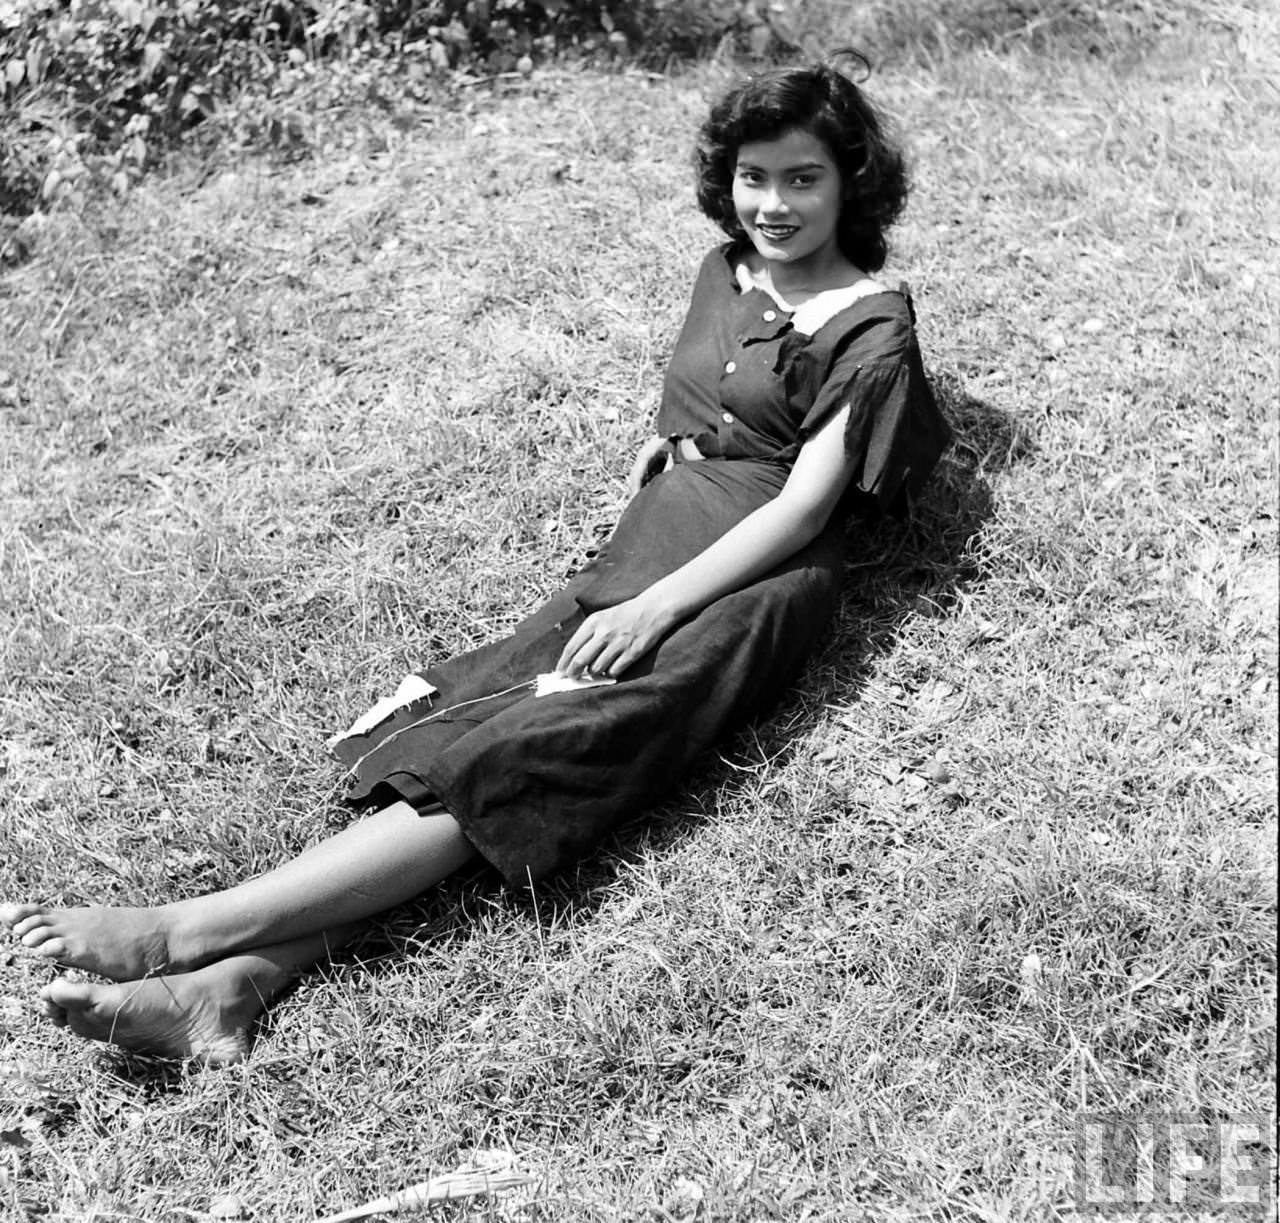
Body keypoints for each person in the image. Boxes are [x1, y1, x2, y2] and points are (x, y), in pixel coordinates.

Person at [1, 57, 951, 1065]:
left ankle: (185, 930)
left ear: (850, 179)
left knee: (519, 753)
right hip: (657, 539)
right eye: (754, 176)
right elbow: (692, 391)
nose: (773, 203)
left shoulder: (871, 323)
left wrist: (657, 609)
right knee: (481, 718)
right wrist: (675, 444)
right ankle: (225, 993)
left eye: (802, 177)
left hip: (744, 586)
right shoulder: (725, 266)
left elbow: (806, 506)